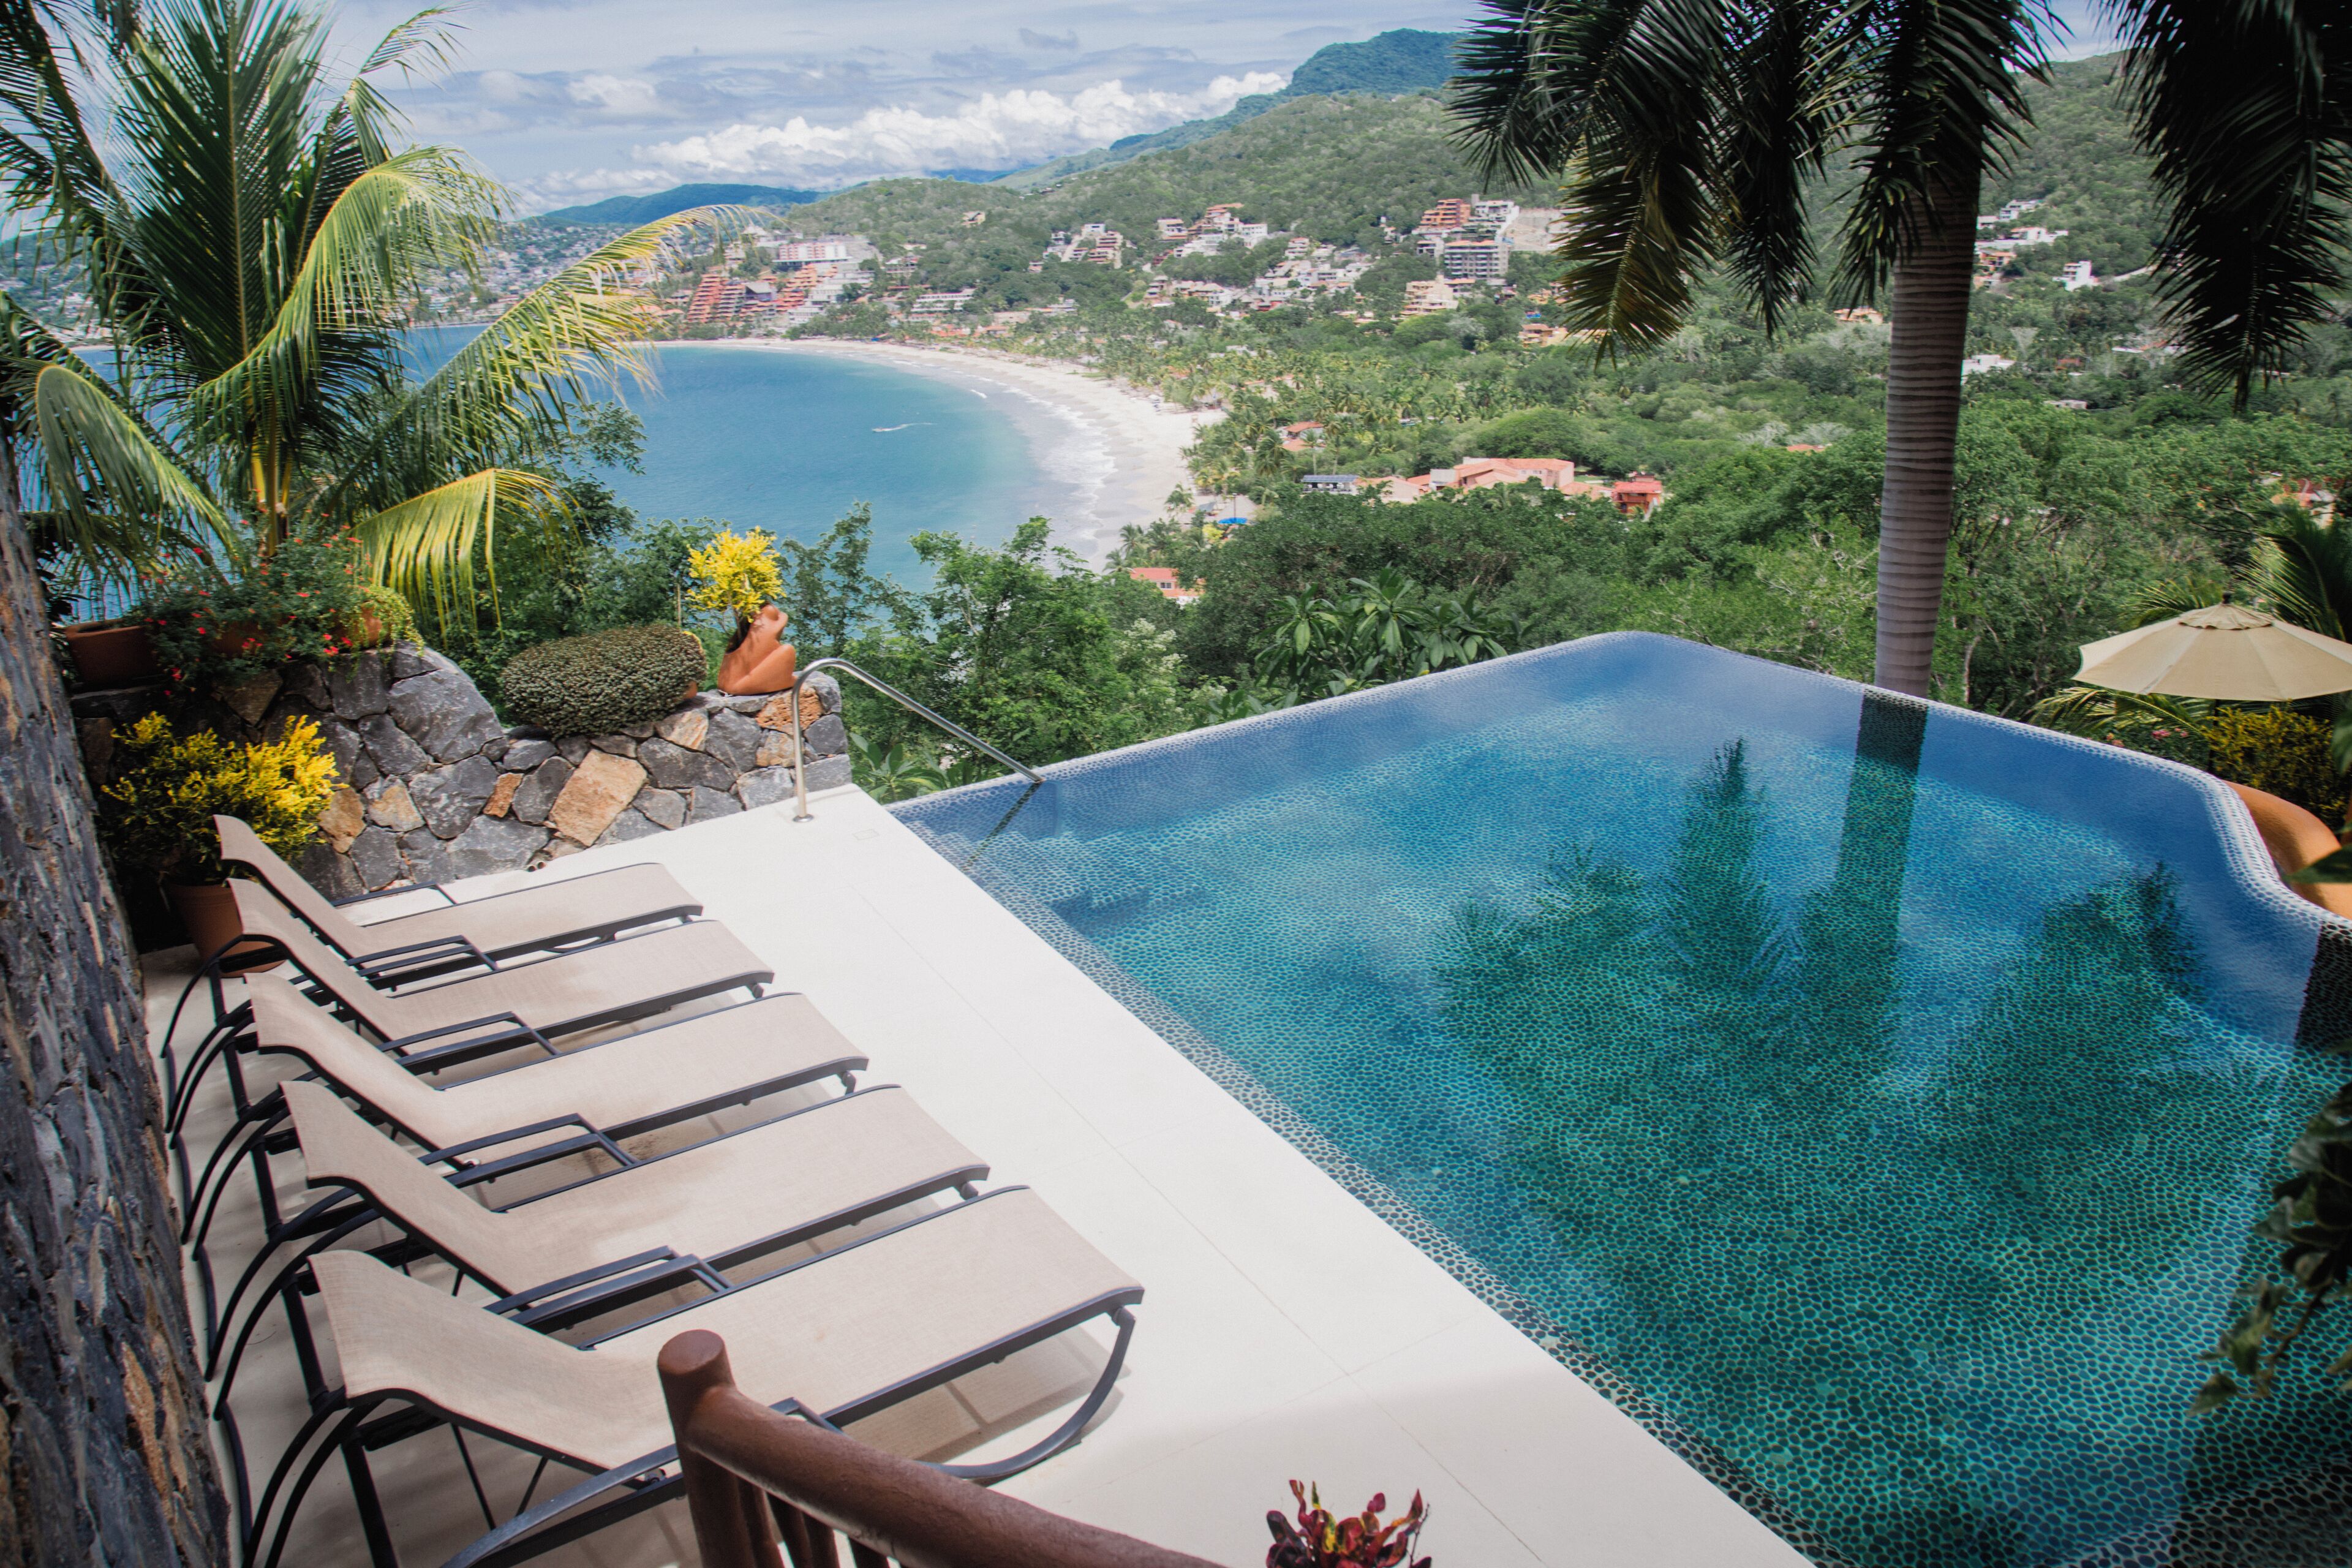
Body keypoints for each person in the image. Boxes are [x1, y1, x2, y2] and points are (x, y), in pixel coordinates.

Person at [715, 602, 796, 695]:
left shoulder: (745, 630)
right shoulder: (765, 627)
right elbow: (781, 619)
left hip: (725, 683)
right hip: (740, 685)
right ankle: (785, 680)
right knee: (788, 650)